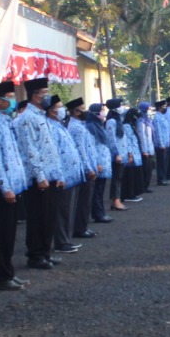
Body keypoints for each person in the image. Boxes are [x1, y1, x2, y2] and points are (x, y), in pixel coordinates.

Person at [0, 81, 29, 291]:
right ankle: (1, 276)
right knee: (2, 232)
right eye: (9, 97)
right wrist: (5, 186)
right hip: (4, 187)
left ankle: (8, 272)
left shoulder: (7, 121)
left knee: (10, 233)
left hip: (14, 184)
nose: (13, 100)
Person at [13, 78, 65, 270]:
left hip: (50, 175)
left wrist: (57, 174)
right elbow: (29, 150)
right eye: (45, 93)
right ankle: (35, 255)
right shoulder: (27, 118)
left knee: (49, 217)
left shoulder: (42, 116)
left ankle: (45, 252)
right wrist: (40, 175)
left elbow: (50, 149)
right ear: (35, 96)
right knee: (38, 218)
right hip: (38, 178)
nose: (48, 96)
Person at [46, 95, 83, 255]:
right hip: (63, 175)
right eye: (59, 107)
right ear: (51, 111)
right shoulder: (51, 127)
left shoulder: (60, 125)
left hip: (71, 173)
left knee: (69, 209)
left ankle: (67, 239)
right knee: (62, 210)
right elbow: (54, 154)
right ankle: (61, 242)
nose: (63, 110)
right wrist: (59, 175)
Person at [66, 98, 101, 239]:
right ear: (76, 112)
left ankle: (83, 226)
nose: (86, 111)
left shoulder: (81, 125)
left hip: (88, 166)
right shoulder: (76, 128)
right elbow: (81, 150)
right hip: (84, 169)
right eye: (83, 108)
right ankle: (80, 228)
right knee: (83, 201)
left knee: (86, 200)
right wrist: (88, 169)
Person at [84, 103, 115, 225]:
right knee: (97, 190)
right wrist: (96, 163)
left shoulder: (99, 125)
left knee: (100, 190)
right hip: (98, 162)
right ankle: (98, 214)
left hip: (103, 160)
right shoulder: (91, 127)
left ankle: (100, 212)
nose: (103, 113)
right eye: (101, 110)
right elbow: (91, 147)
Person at [152, 98, 170, 184]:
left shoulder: (163, 116)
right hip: (161, 144)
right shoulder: (157, 117)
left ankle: (164, 178)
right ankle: (160, 179)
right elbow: (158, 132)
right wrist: (161, 144)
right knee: (161, 162)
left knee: (165, 162)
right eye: (164, 106)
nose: (165, 108)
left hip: (166, 143)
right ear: (159, 108)